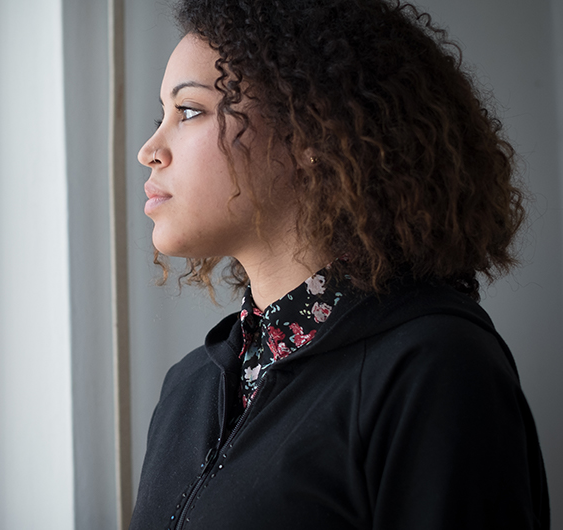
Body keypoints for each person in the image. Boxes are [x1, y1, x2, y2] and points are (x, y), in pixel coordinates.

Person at [130, 0, 550, 528]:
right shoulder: (188, 386)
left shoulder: (433, 368)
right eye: (160, 116)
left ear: (309, 134)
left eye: (189, 111)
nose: (150, 149)